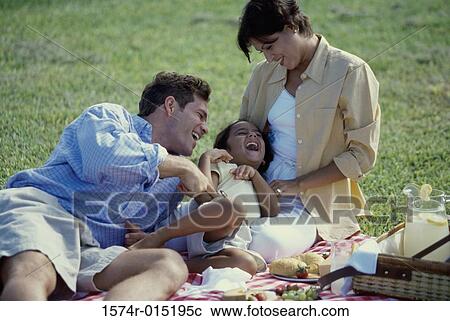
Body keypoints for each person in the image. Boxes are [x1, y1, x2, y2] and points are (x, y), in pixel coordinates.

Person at [0, 71, 218, 300]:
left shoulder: (174, 181)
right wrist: (183, 167)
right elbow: (105, 159)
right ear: (171, 106)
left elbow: (221, 218)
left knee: (169, 264)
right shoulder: (110, 117)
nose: (205, 128)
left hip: (90, 249)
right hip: (45, 212)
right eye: (200, 115)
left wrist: (204, 168)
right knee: (35, 268)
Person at [237, 0, 381, 259]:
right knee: (194, 224)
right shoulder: (264, 74)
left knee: (266, 244)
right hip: (256, 189)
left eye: (270, 46)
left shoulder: (350, 71)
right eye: (262, 51)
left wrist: (298, 184)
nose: (269, 57)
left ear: (291, 26)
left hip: (314, 204)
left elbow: (362, 156)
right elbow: (245, 131)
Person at [128, 120, 280, 275]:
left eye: (258, 134)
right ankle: (156, 237)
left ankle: (175, 264)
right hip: (207, 227)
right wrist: (205, 158)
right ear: (225, 151)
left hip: (232, 242)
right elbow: (204, 198)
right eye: (242, 133)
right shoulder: (224, 168)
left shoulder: (260, 182)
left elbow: (272, 209)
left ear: (264, 160)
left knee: (247, 264)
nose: (252, 134)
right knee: (233, 208)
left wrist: (255, 175)